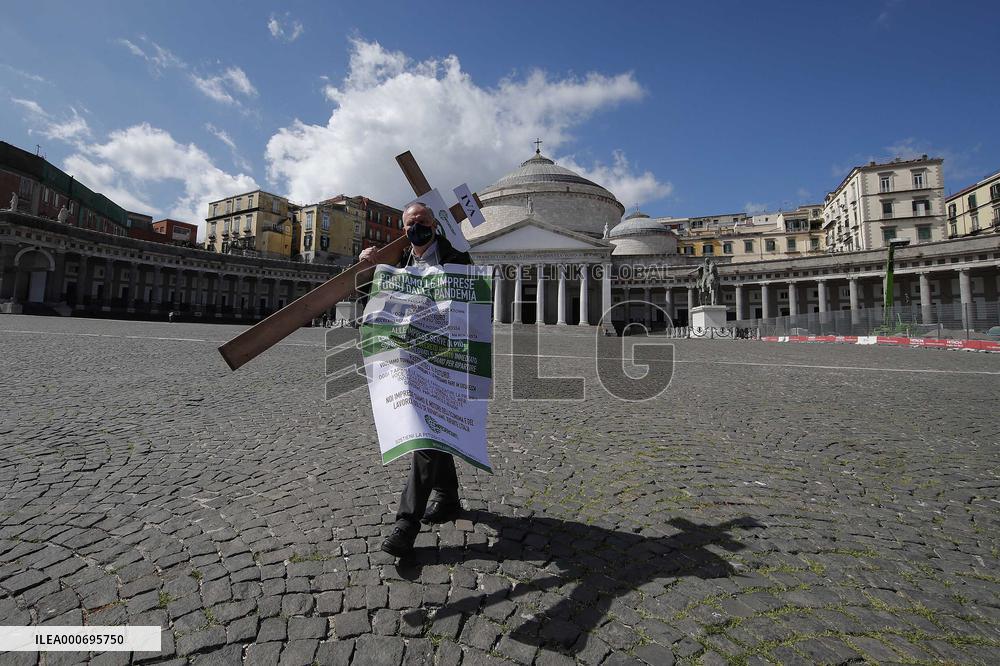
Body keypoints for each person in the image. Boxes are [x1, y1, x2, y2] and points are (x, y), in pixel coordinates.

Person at [358, 202, 473, 558]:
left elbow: (473, 305)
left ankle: (406, 525)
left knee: (425, 436)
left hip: (445, 360)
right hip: (408, 360)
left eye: (422, 221)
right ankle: (448, 497)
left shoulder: (458, 260)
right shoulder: (398, 263)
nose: (416, 228)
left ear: (434, 225)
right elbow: (372, 302)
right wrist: (368, 269)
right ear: (403, 228)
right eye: (410, 223)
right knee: (433, 432)